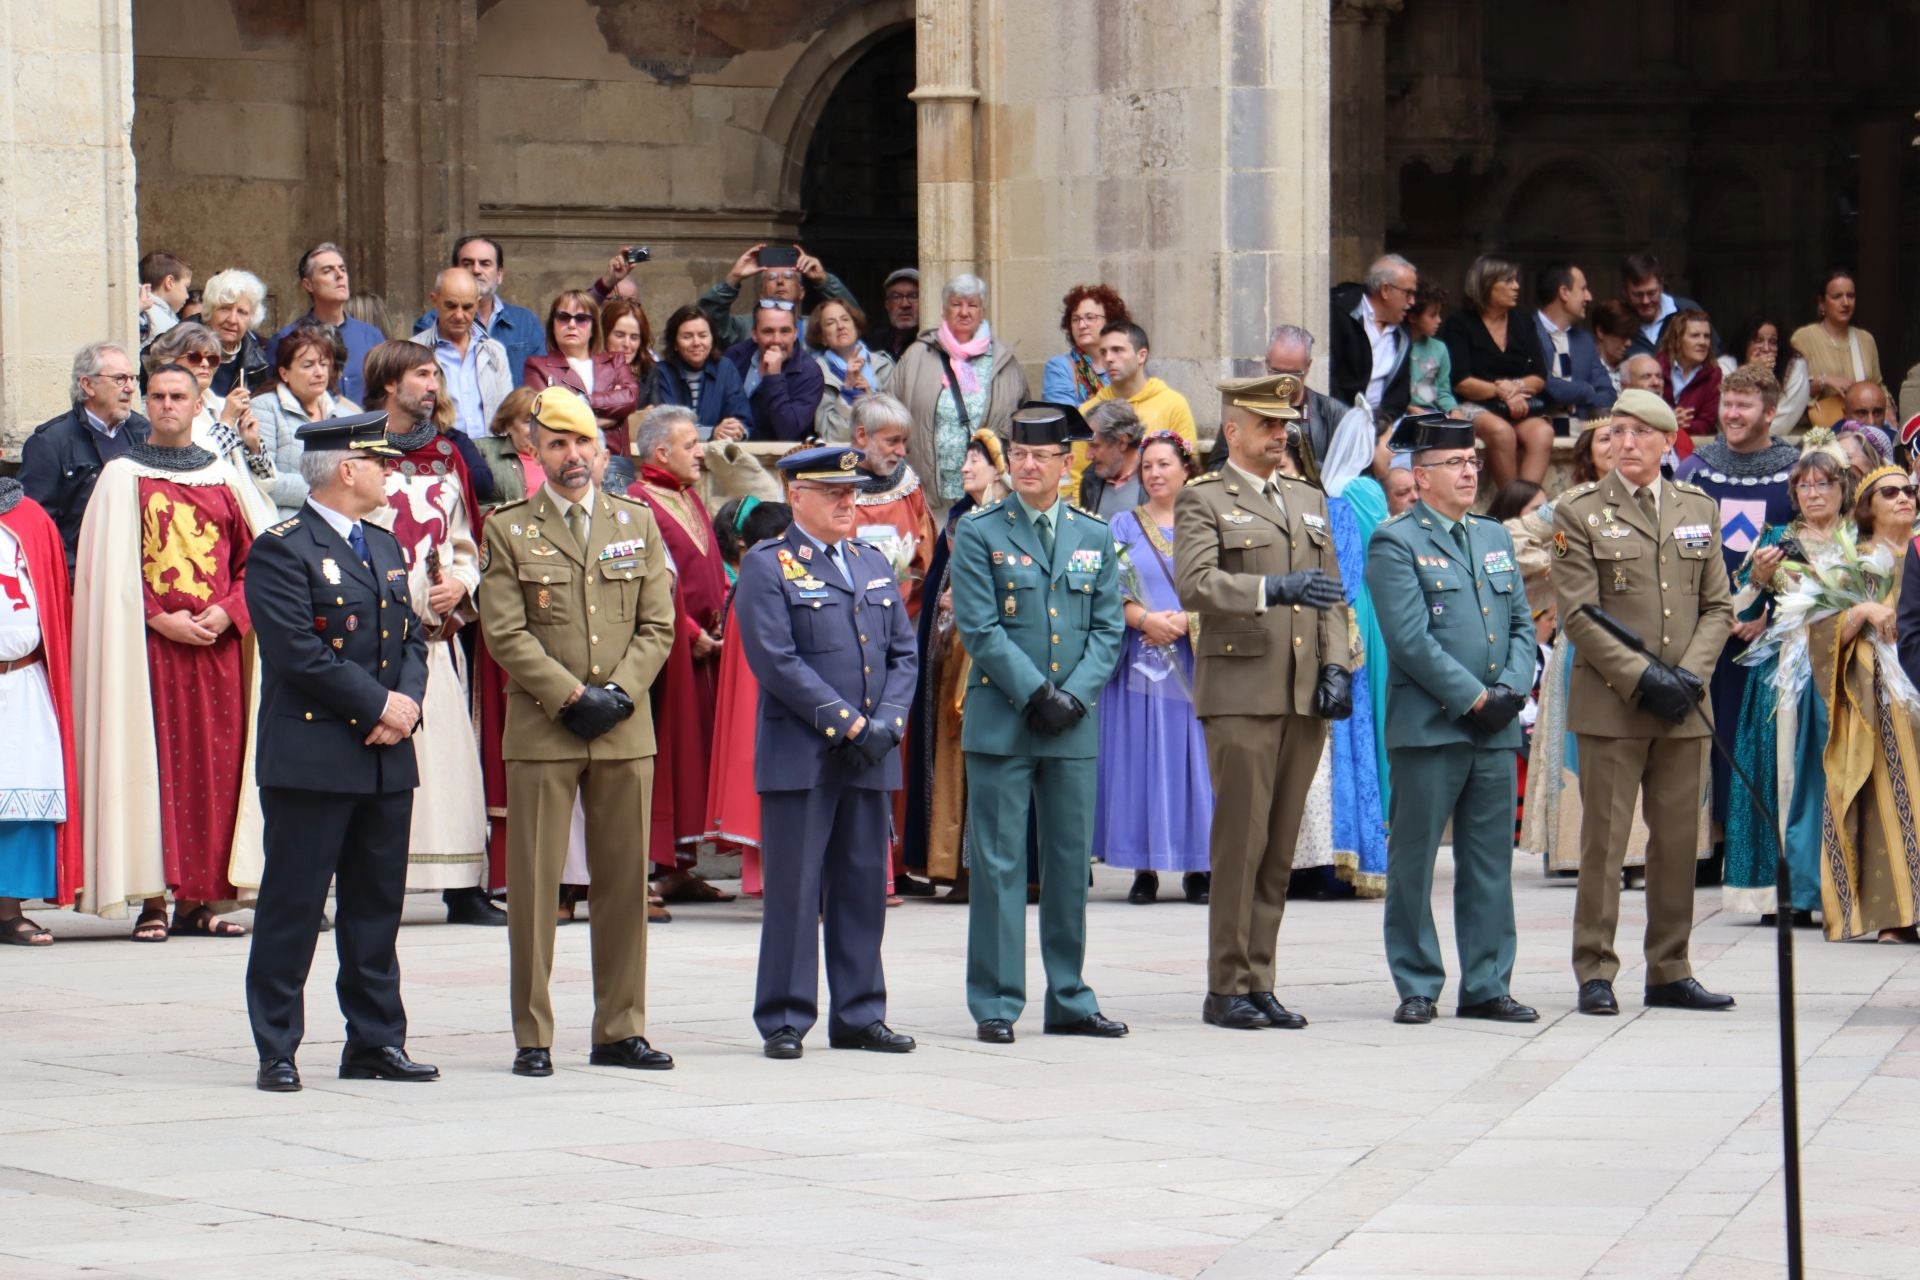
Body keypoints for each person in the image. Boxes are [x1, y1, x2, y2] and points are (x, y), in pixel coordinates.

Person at [476, 388, 678, 1077]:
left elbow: (658, 624)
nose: (573, 457)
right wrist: (569, 696)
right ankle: (533, 1035)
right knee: (534, 889)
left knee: (624, 882)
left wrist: (618, 692)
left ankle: (620, 1028)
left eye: (583, 442)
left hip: (623, 726)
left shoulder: (635, 522)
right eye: (558, 443)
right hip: (544, 725)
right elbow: (504, 631)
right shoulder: (508, 528)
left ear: (601, 449)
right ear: (533, 448)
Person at [243, 413, 436, 1091]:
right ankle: (277, 1046)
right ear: (347, 470)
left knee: (376, 906)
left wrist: (405, 706)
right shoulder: (282, 548)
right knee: (294, 906)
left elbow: (411, 635)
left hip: (385, 755)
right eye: (381, 462)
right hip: (314, 755)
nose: (392, 472)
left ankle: (375, 1041)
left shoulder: (383, 546)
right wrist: (376, 704)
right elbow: (296, 650)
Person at [1175, 374, 1354, 1030]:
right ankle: (1225, 985)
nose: (1282, 435)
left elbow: (1330, 592)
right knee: (1241, 843)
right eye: (1268, 425)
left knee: (1280, 847)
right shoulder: (1206, 499)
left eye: (1286, 425)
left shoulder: (1307, 497)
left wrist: (1335, 666)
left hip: (1301, 691)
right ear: (1233, 432)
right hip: (1241, 692)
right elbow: (1194, 584)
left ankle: (1261, 977)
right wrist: (1270, 589)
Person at [1551, 388, 1734, 1014]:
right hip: (1613, 704)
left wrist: (1686, 676)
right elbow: (1578, 615)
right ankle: (1596, 970)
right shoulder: (1578, 511)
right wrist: (1643, 678)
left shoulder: (1697, 509)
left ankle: (1671, 968)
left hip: (1685, 706)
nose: (1626, 444)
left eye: (1640, 433)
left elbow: (1718, 607)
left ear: (1665, 442)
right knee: (1603, 843)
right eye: (1618, 432)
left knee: (1679, 841)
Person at [732, 446, 919, 1058]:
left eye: (852, 492)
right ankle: (785, 1016)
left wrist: (886, 723)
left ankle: (861, 1012)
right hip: (804, 752)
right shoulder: (770, 565)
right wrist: (849, 725)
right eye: (833, 493)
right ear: (797, 497)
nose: (848, 502)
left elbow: (902, 653)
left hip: (870, 752)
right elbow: (776, 660)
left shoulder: (870, 562)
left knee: (864, 884)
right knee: (794, 889)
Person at [948, 403, 1126, 1043]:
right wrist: (1036, 693)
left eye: (1040, 455)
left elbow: (1109, 628)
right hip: (1005, 719)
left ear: (1065, 463)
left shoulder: (1093, 534)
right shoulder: (979, 531)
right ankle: (996, 1000)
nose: (1026, 465)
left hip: (1072, 725)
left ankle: (1070, 996)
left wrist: (1073, 696)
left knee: (1069, 862)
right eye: (1018, 454)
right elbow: (980, 625)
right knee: (998, 865)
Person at [73, 362, 267, 940]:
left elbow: (256, 564)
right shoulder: (120, 477)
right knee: (151, 769)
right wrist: (161, 618)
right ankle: (153, 899)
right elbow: (111, 573)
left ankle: (202, 900)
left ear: (196, 401)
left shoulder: (224, 477)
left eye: (177, 395)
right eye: (155, 395)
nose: (165, 405)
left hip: (218, 651)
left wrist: (230, 612)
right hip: (148, 653)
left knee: (216, 773)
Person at [1367, 414, 1538, 1025]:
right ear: (1421, 476)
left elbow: (1521, 621)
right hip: (1432, 725)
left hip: (1494, 726)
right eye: (1455, 464)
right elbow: (1410, 640)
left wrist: (1512, 689)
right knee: (1414, 861)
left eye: (1473, 462)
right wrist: (1474, 699)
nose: (1470, 472)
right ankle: (1417, 981)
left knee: (1490, 860)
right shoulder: (1396, 540)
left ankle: (1488, 982)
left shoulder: (1492, 535)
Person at [359, 341, 494, 925]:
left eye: (437, 373)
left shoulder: (447, 452)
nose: (433, 383)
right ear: (390, 384)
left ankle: (462, 886)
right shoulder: (356, 447)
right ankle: (365, 887)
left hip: (435, 636)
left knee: (447, 766)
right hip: (372, 635)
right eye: (422, 373)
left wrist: (460, 584)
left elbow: (464, 539)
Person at [1723, 438, 1850, 923]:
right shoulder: (1775, 537)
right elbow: (1742, 610)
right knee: (1780, 774)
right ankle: (1784, 893)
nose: (1814, 493)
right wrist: (1755, 577)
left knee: (1833, 774)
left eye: (1824, 483)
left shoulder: (1856, 539)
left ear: (1842, 488)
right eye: (1804, 485)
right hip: (1785, 666)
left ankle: (1836, 887)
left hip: (1843, 662)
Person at [1675, 364, 1798, 841]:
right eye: (1727, 403)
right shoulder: (1695, 470)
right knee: (1704, 737)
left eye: (1743, 405)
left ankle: (1752, 842)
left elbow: (1807, 550)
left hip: (1766, 633)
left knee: (1753, 740)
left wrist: (1769, 613)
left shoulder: (1795, 471)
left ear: (1770, 412)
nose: (1731, 413)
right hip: (1703, 628)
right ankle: (1708, 844)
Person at [1097, 431, 1212, 905]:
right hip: (1141, 658)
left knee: (1196, 762)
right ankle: (1144, 866)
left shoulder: (1209, 524)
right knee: (1142, 759)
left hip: (1196, 657)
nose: (1156, 474)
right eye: (1148, 467)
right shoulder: (1123, 525)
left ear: (1187, 469)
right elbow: (1108, 585)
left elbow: (1229, 582)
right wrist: (1144, 619)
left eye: (1165, 464)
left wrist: (1190, 620)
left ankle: (1199, 864)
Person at [630, 406, 733, 899]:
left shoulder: (689, 496)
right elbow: (650, 582)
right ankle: (653, 865)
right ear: (660, 452)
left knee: (697, 757)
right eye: (690, 444)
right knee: (668, 755)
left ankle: (680, 867)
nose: (700, 452)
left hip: (708, 649)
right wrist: (688, 631)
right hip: (670, 652)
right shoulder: (637, 502)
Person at [904, 430, 1010, 902]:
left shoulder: (1008, 520)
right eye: (965, 459)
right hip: (948, 653)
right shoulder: (959, 518)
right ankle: (949, 863)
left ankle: (978, 865)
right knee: (946, 750)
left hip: (986, 656)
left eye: (976, 460)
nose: (965, 467)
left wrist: (966, 599)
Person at [1829, 466, 1920, 942]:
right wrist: (1862, 611)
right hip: (1879, 697)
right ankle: (1896, 916)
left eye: (1910, 490)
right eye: (1890, 492)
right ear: (1868, 507)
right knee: (1893, 801)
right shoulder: (1851, 560)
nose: (1904, 497)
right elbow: (1818, 634)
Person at [0, 481, 78, 946]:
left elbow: (52, 595)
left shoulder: (29, 517)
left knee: (22, 798)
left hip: (23, 677)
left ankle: (8, 911)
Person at [895, 275, 1031, 512]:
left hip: (990, 498)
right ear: (945, 310)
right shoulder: (916, 356)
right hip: (929, 497)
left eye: (973, 305)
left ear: (982, 311)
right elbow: (892, 414)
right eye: (957, 304)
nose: (964, 312)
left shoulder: (1004, 362)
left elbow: (1024, 424)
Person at [19, 341, 150, 568]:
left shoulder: (145, 433)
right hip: (81, 579)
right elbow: (37, 524)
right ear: (88, 385)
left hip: (137, 577)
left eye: (132, 378)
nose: (130, 387)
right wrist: (73, 580)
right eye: (120, 379)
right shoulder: (50, 442)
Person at [144, 322, 281, 531]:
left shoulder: (218, 403)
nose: (205, 364)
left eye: (213, 359)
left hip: (248, 517)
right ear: (169, 360)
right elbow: (194, 465)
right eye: (195, 357)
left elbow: (266, 482)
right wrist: (227, 422)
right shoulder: (162, 409)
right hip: (204, 521)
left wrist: (253, 445)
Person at [1441, 254, 1550, 489]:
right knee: (1501, 432)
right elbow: (1461, 381)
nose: (1516, 286)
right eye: (1508, 281)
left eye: (1516, 280)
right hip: (1473, 404)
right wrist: (1502, 392)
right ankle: (1510, 509)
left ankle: (1526, 506)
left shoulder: (1522, 321)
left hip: (1518, 404)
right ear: (1487, 284)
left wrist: (1516, 388)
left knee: (1542, 432)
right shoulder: (1459, 324)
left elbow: (1539, 376)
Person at [255, 326, 362, 517]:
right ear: (284, 373)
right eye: (308, 365)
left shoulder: (345, 415)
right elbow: (264, 479)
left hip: (341, 521)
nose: (319, 372)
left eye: (323, 364)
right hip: (285, 524)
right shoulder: (264, 407)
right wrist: (327, 492)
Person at [412, 235, 547, 384]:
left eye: (485, 263)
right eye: (467, 263)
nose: (476, 270)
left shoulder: (525, 322)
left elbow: (540, 380)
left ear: (499, 275)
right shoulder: (430, 323)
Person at [849, 394, 936, 621]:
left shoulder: (908, 486)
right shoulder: (831, 490)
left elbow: (925, 557)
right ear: (861, 436)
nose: (902, 451)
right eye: (892, 441)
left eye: (904, 441)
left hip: (902, 616)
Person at [522, 293, 641, 457]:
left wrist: (583, 401)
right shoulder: (536, 366)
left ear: (593, 327)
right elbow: (546, 417)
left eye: (581, 318)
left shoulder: (615, 361)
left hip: (614, 463)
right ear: (553, 325)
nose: (572, 324)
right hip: (565, 460)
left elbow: (629, 398)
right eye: (563, 317)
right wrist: (609, 415)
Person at [268, 244, 387, 405]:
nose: (339, 275)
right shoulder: (286, 339)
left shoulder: (372, 335)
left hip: (367, 428)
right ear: (308, 284)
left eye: (343, 269)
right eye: (327, 270)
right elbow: (276, 399)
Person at [409, 267, 515, 444]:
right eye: (450, 306)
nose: (459, 315)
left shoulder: (494, 351)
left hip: (492, 455)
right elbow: (411, 415)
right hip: (440, 455)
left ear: (478, 303)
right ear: (434, 301)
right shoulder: (414, 350)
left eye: (467, 307)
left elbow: (507, 412)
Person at [699, 243, 860, 350]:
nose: (780, 282)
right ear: (761, 293)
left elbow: (854, 319)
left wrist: (823, 280)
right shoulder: (745, 327)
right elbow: (705, 321)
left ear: (802, 292)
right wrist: (734, 277)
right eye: (772, 277)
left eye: (789, 277)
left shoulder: (817, 326)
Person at [1794, 269, 1893, 429]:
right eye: (1837, 296)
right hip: (1822, 433)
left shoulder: (1865, 339)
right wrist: (1824, 381)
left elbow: (1878, 385)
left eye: (1850, 296)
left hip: (1867, 432)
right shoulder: (1804, 338)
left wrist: (1888, 409)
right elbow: (1791, 393)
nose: (1845, 303)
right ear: (1822, 302)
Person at [1329, 254, 1416, 420]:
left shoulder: (1402, 335)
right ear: (1385, 290)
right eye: (1408, 293)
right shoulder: (1341, 314)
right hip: (1340, 422)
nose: (1412, 302)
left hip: (1383, 424)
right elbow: (1329, 380)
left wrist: (1385, 421)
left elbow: (1400, 394)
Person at [722, 300, 823, 442]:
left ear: (795, 333)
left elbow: (789, 433)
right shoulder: (735, 356)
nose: (776, 340)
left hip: (778, 459)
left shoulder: (809, 372)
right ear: (754, 334)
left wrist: (774, 377)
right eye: (768, 331)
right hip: (731, 452)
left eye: (785, 331)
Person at [1533, 261, 1617, 430]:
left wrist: (1572, 401)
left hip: (1580, 435)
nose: (1589, 297)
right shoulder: (1525, 332)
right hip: (1535, 433)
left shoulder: (1585, 341)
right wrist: (1585, 391)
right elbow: (1542, 383)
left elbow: (1608, 394)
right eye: (1583, 289)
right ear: (1564, 292)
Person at [653, 305, 752, 442]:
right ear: (674, 343)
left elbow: (744, 421)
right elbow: (666, 426)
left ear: (712, 340)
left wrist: (736, 431)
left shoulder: (725, 368)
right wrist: (711, 433)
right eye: (687, 337)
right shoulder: (661, 372)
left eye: (703, 335)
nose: (696, 343)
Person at [809, 297, 894, 443]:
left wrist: (870, 396)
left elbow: (897, 426)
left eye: (845, 319)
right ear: (822, 337)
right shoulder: (816, 373)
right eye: (830, 323)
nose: (840, 326)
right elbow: (832, 437)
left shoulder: (884, 365)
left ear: (856, 326)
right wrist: (848, 392)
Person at [1041, 284, 1131, 406]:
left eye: (1090, 317)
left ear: (1110, 322)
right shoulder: (1060, 367)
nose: (1082, 325)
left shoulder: (1129, 363)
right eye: (1075, 319)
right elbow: (1067, 419)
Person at [1717, 317, 1810, 433]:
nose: (1766, 349)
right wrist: (1752, 371)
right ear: (1744, 343)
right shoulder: (1726, 365)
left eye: (1773, 342)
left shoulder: (1795, 366)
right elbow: (1727, 414)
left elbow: (1783, 421)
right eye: (1758, 340)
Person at [201, 269, 273, 400]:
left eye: (242, 312)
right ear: (210, 311)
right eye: (225, 308)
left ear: (251, 318)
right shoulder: (183, 350)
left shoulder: (261, 361)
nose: (232, 320)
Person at [1621, 252, 1706, 357]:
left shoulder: (1687, 311)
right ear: (1625, 292)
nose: (1645, 301)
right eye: (1637, 295)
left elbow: (1716, 357)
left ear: (1661, 285)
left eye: (1652, 293)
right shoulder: (1617, 322)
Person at [474, 387, 542, 512]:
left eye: (540, 421)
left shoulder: (556, 454)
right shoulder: (483, 452)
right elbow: (467, 506)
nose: (537, 429)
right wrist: (495, 516)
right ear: (508, 424)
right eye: (528, 422)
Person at [1657, 309, 1721, 439]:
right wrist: (1667, 419)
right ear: (1677, 339)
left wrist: (1677, 424)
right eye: (1695, 335)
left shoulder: (1713, 374)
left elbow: (1706, 424)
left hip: (1693, 444)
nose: (1703, 342)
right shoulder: (1657, 367)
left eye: (1706, 336)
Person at [1078, 401, 1147, 517]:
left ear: (1122, 442)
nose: (1088, 456)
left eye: (1095, 446)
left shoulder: (1155, 481)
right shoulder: (1090, 482)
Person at [600, 297, 664, 417]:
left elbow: (655, 418)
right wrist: (637, 416)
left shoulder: (649, 371)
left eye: (634, 337)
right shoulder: (588, 370)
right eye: (619, 335)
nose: (627, 344)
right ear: (605, 335)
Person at [1404, 287, 1459, 416]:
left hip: (1431, 412)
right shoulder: (1396, 346)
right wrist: (1407, 407)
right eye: (1432, 315)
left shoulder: (1440, 348)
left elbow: (1442, 390)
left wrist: (1454, 410)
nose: (1439, 321)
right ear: (1412, 317)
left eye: (1439, 314)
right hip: (1402, 412)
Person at [138, 250, 192, 348]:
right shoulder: (145, 316)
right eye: (186, 286)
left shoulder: (152, 313)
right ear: (169, 282)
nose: (187, 296)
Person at [867, 268, 921, 362]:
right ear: (887, 305)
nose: (905, 304)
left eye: (913, 296)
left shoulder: (930, 345)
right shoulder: (874, 342)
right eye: (896, 297)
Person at [1590, 299, 1639, 394]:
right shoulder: (1583, 370)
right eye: (1622, 336)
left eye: (1630, 337)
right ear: (1601, 332)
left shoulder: (1633, 369)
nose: (1629, 343)